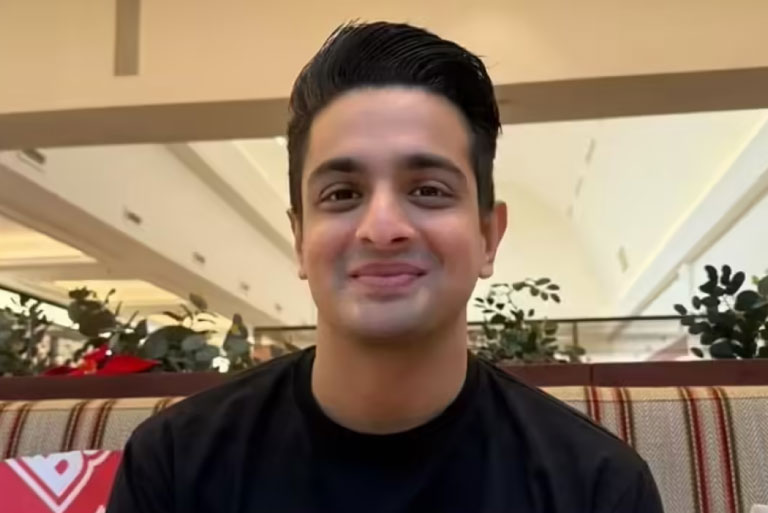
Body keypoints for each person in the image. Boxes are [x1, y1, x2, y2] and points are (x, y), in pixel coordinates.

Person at [107, 21, 664, 513]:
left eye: (428, 189)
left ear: (487, 237)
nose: (382, 228)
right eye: (342, 194)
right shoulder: (175, 462)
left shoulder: (596, 485)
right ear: (299, 239)